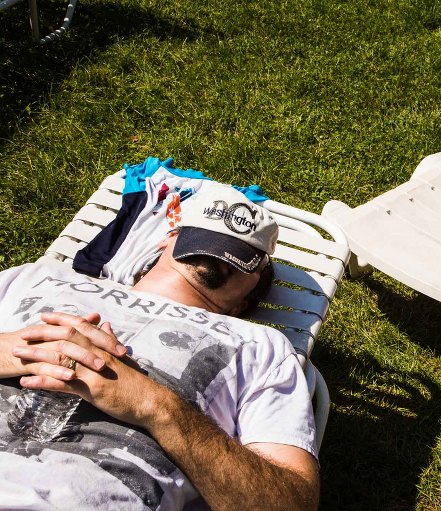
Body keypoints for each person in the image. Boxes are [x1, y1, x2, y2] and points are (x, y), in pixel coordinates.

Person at [0, 184, 319, 510]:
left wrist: (156, 406)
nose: (222, 259)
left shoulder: (260, 345)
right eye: (208, 238)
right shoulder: (35, 276)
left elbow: (291, 503)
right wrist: (17, 349)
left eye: (241, 257)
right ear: (167, 239)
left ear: (244, 302)